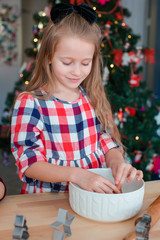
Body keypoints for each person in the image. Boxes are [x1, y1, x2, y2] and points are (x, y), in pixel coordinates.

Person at [11, 3, 143, 194]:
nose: (76, 71)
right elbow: (28, 162)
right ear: (48, 56)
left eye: (85, 63)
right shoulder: (31, 103)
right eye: (67, 62)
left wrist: (117, 163)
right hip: (48, 200)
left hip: (91, 197)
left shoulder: (92, 97)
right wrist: (77, 175)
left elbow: (106, 142)